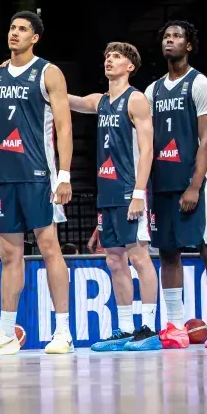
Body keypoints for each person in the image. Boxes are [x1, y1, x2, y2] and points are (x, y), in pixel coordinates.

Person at [0, 11, 73, 355]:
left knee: (48, 248)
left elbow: (65, 126)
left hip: (38, 174)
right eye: (12, 27)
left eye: (22, 29)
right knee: (9, 255)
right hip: (5, 175)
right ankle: (6, 334)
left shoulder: (48, 72)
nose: (14, 33)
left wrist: (65, 175)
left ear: (35, 38)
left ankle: (62, 331)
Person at [68, 43, 162, 352]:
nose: (110, 60)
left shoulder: (136, 100)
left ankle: (148, 328)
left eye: (117, 57)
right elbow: (71, 101)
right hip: (106, 193)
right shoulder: (101, 101)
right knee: (114, 260)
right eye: (107, 56)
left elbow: (148, 150)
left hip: (128, 190)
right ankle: (123, 329)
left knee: (138, 256)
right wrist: (39, 81)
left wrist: (138, 193)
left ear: (130, 66)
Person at [146, 21, 207, 348]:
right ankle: (175, 325)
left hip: (191, 181)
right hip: (162, 184)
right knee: (169, 253)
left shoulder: (200, 84)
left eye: (177, 36)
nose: (170, 40)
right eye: (166, 36)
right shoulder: (153, 90)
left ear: (189, 45)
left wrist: (195, 185)